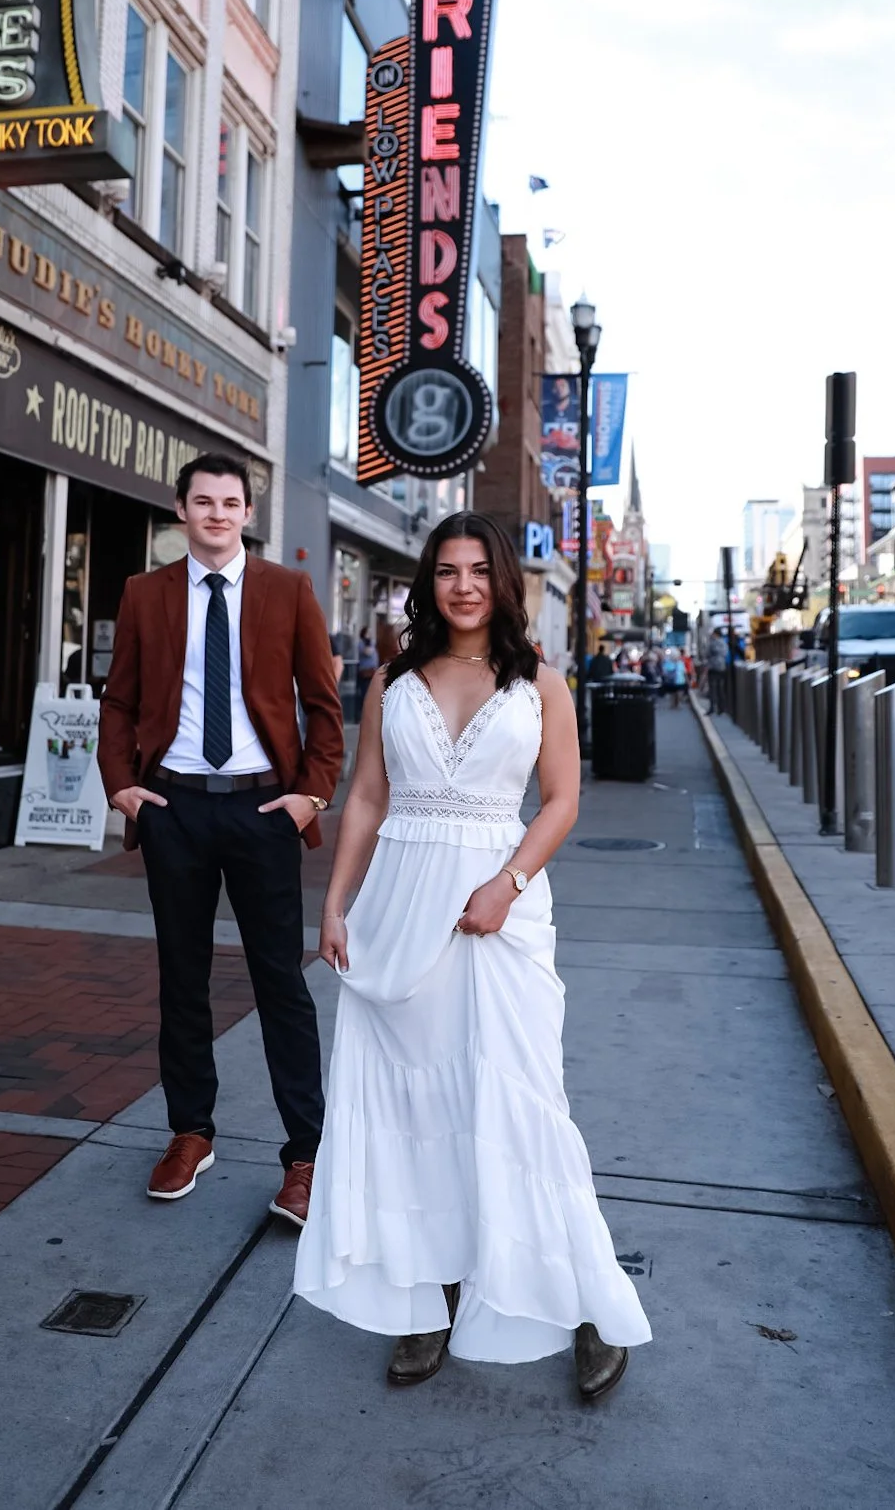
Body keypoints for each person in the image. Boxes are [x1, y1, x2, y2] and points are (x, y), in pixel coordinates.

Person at [294, 512, 650, 1398]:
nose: (462, 585)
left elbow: (561, 801)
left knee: (522, 1105)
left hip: (498, 914)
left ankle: (586, 1310)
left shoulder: (543, 684)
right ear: (429, 581)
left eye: (478, 570)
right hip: (397, 912)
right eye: (447, 570)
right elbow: (369, 798)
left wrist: (509, 883)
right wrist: (336, 901)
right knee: (412, 1116)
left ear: (501, 583)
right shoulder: (391, 680)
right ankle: (425, 1302)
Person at [98, 454, 343, 1217]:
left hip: (263, 809)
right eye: (203, 501)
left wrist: (311, 795)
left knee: (281, 982)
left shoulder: (288, 590)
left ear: (247, 512)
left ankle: (306, 1154)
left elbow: (325, 708)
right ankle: (190, 1132)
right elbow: (119, 700)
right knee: (183, 976)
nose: (217, 513)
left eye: (230, 502)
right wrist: (123, 788)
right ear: (180, 509)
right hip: (173, 809)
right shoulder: (145, 593)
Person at [706, 628, 728, 714]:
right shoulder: (724, 643)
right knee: (720, 688)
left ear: (715, 634)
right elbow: (725, 653)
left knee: (712, 688)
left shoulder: (712, 643)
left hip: (713, 667)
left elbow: (706, 653)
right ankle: (721, 708)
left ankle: (712, 708)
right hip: (722, 667)